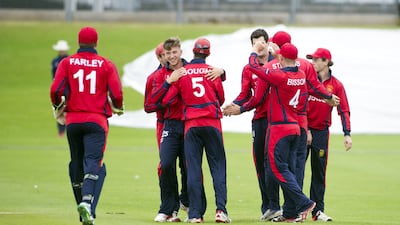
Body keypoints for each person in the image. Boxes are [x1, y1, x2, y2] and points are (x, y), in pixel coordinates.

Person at [50, 26, 124, 225]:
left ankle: (85, 211)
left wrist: (58, 104)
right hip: (96, 121)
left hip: (73, 121)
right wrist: (118, 106)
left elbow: (56, 89)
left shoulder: (66, 62)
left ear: (79, 42)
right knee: (94, 163)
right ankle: (86, 203)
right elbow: (116, 94)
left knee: (76, 162)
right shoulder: (106, 64)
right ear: (96, 43)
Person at [162, 38, 231, 223]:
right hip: (212, 124)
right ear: (208, 53)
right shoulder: (212, 72)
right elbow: (221, 99)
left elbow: (168, 99)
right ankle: (220, 211)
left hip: (191, 125)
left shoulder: (183, 72)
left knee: (193, 169)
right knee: (218, 168)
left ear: (192, 52)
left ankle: (194, 215)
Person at [248, 42, 316, 223]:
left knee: (276, 169)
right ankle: (290, 213)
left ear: (281, 58)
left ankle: (303, 202)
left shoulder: (280, 76)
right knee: (290, 170)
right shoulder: (301, 74)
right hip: (296, 127)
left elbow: (254, 68)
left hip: (280, 128)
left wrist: (254, 52)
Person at [222, 28, 282, 221]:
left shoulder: (277, 65)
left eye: (262, 41)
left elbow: (259, 97)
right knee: (260, 164)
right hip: (259, 120)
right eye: (255, 41)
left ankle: (277, 205)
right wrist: (235, 104)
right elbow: (246, 94)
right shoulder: (248, 69)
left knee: (273, 163)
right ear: (251, 45)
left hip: (277, 120)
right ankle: (268, 207)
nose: (259, 44)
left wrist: (241, 109)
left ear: (268, 43)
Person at [144, 41, 190, 220]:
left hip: (187, 124)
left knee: (189, 166)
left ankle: (186, 200)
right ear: (160, 57)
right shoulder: (155, 77)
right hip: (165, 124)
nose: (168, 57)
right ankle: (168, 207)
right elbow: (149, 105)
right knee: (165, 164)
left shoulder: (188, 69)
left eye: (171, 53)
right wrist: (168, 86)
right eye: (164, 55)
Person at [306, 47, 352, 222]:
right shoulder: (307, 80)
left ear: (326, 62)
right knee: (296, 171)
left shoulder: (336, 85)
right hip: (303, 131)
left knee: (319, 172)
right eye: (312, 59)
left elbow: (344, 110)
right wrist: (305, 128)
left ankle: (317, 211)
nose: (313, 63)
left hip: (321, 133)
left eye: (317, 59)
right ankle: (293, 209)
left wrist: (347, 134)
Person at [51, 39, 70, 137]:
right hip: (58, 89)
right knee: (58, 108)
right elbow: (53, 76)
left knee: (69, 108)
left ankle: (69, 128)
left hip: (68, 88)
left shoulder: (69, 60)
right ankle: (61, 130)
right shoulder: (55, 61)